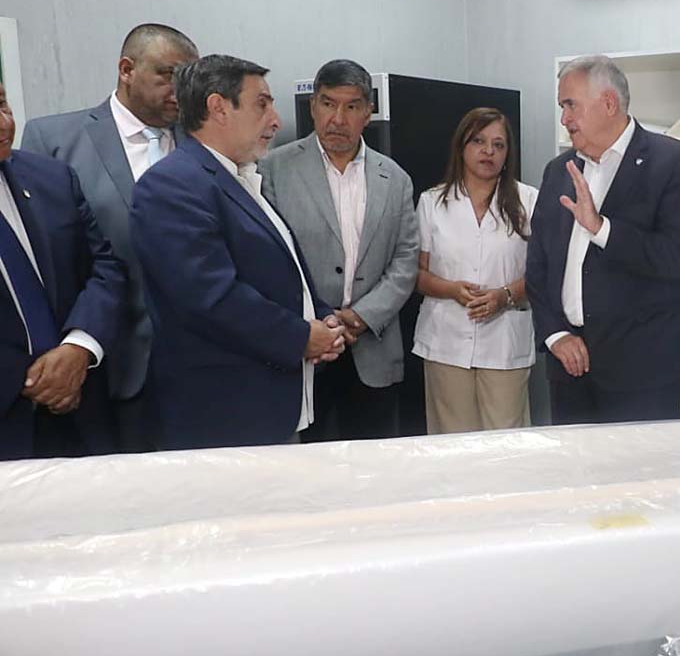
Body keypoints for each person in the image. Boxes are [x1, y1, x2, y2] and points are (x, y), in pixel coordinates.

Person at [130, 55, 345, 450]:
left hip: (270, 406)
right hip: (224, 417)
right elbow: (210, 298)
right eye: (262, 105)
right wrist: (301, 337)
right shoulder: (172, 186)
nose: (276, 121)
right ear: (218, 108)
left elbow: (277, 268)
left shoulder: (240, 177)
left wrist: (322, 316)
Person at [21, 23, 199, 452]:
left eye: (188, 79)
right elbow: (40, 261)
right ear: (126, 69)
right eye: (167, 75)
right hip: (101, 365)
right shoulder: (54, 140)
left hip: (194, 370)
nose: (179, 90)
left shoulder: (200, 144)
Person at [525, 55, 680, 425]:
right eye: (562, 107)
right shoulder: (558, 172)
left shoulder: (674, 162)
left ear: (608, 103)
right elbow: (538, 265)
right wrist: (555, 334)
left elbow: (671, 257)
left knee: (640, 464)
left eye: (570, 105)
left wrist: (601, 228)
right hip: (568, 368)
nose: (564, 119)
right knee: (573, 463)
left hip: (643, 374)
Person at [260, 60, 418, 442]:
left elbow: (405, 259)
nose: (338, 119)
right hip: (306, 347)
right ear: (313, 106)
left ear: (368, 112)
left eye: (351, 106)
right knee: (311, 466)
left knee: (374, 464)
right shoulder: (273, 169)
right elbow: (268, 258)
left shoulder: (395, 178)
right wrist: (318, 321)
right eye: (328, 104)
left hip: (373, 348)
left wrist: (361, 316)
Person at [0, 81, 127, 459]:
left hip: (82, 413)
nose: (4, 123)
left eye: (3, 104)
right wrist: (31, 381)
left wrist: (78, 348)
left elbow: (105, 268)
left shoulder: (52, 177)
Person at [413, 108, 537, 433]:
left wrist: (504, 296)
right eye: (479, 141)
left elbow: (543, 273)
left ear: (508, 154)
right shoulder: (432, 202)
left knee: (506, 442)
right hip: (446, 341)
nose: (488, 151)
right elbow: (416, 274)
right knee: (452, 441)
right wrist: (451, 289)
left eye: (498, 145)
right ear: (462, 147)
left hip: (504, 343)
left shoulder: (529, 201)